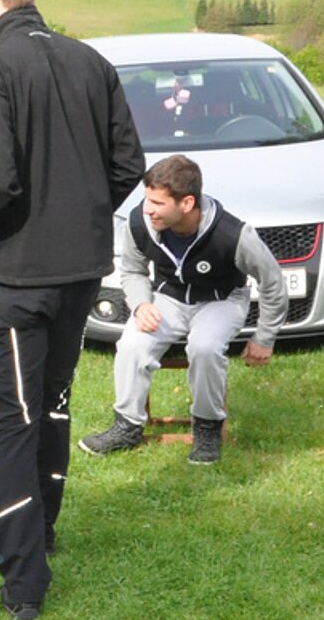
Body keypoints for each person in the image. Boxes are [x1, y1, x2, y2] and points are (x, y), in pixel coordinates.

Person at [0, 0, 145, 620]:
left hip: (18, 277)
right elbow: (128, 165)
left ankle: (24, 583)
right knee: (53, 400)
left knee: (9, 415)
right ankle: (39, 526)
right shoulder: (91, 62)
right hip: (81, 273)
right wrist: (83, 217)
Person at [79, 155, 288, 464]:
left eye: (157, 203)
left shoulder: (234, 234)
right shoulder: (139, 223)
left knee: (204, 347)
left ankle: (206, 429)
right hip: (168, 299)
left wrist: (265, 338)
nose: (147, 209)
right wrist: (141, 304)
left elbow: (272, 282)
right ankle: (127, 426)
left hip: (221, 300)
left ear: (187, 203)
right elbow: (133, 271)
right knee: (132, 344)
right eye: (147, 199)